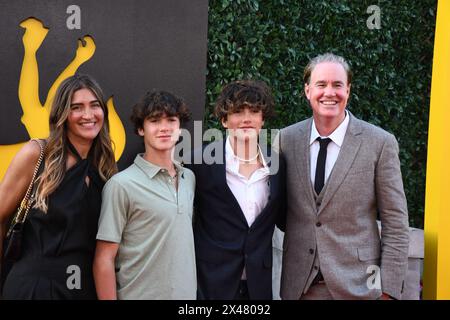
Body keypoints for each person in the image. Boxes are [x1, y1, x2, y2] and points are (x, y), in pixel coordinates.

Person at [278, 53, 409, 300]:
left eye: (337, 85)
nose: (330, 92)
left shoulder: (379, 143)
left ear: (348, 90)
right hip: (299, 288)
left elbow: (396, 223)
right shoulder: (286, 140)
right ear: (307, 91)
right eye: (321, 84)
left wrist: (389, 291)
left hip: (359, 288)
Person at [0, 74, 117, 299]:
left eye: (95, 106)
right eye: (76, 107)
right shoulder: (37, 154)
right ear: (62, 114)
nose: (88, 115)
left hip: (82, 289)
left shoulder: (105, 167)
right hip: (34, 289)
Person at [186, 80, 286, 300]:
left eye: (254, 111)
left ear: (262, 120)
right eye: (238, 111)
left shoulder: (278, 164)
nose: (247, 118)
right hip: (211, 281)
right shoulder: (199, 161)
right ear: (224, 120)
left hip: (258, 284)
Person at [93, 90, 196, 300]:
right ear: (141, 129)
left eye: (171, 120)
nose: (164, 128)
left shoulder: (189, 178)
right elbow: (103, 260)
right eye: (155, 121)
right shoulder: (121, 185)